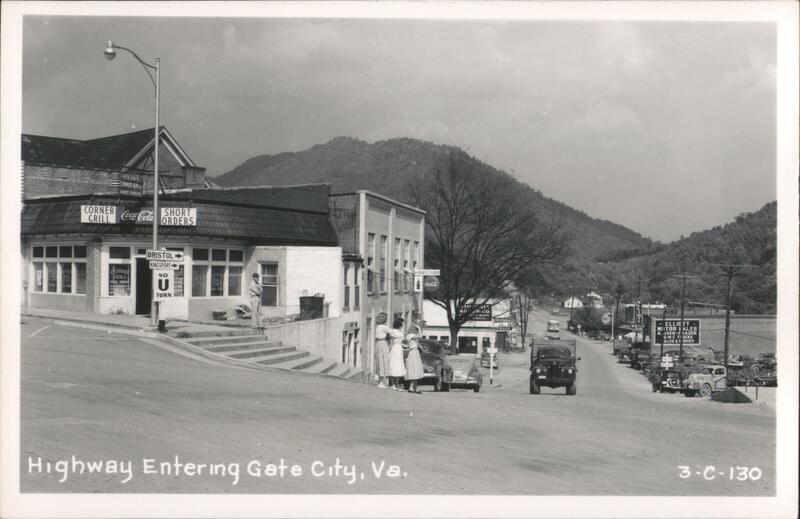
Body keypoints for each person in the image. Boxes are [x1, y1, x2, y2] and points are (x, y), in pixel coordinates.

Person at [404, 316, 425, 394]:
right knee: (414, 369)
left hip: (415, 352)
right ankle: (412, 387)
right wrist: (419, 328)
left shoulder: (413, 336)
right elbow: (420, 336)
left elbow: (418, 342)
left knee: (416, 370)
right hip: (413, 352)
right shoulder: (410, 336)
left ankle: (414, 387)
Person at [388, 317, 407, 391]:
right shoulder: (394, 331)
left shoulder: (400, 331)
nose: (403, 324)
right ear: (399, 323)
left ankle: (397, 384)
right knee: (394, 364)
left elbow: (400, 341)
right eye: (402, 323)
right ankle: (393, 384)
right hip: (395, 348)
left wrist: (404, 345)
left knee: (399, 365)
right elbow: (390, 338)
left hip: (399, 348)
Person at [374, 313, 391, 388]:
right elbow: (392, 332)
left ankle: (379, 379)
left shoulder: (377, 327)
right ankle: (381, 382)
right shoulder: (383, 327)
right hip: (382, 343)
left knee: (379, 361)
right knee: (383, 361)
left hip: (378, 344)